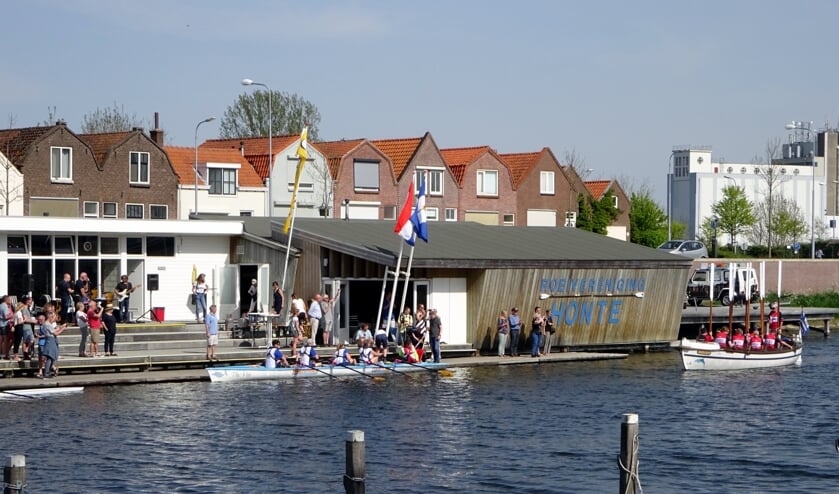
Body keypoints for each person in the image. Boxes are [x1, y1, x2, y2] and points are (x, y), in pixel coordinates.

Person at [40, 310, 67, 379]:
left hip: (52, 340)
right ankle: (46, 373)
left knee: (52, 358)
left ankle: (48, 372)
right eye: (52, 317)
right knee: (49, 357)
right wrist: (62, 329)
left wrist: (60, 327)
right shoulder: (47, 324)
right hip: (50, 340)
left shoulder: (49, 324)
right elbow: (55, 333)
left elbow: (55, 330)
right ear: (49, 317)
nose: (53, 318)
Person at [16, 296, 36, 361]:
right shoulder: (24, 308)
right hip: (26, 327)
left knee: (27, 341)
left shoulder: (28, 308)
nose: (31, 302)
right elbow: (25, 319)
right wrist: (35, 321)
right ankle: (26, 351)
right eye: (30, 301)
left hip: (28, 327)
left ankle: (26, 354)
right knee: (30, 340)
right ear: (26, 301)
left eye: (31, 301)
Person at [0, 295, 13, 359]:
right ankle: (5, 355)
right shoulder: (5, 306)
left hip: (0, 324)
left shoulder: (0, 305)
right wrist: (11, 315)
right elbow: (6, 317)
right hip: (4, 325)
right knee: (5, 341)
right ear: (6, 300)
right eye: (9, 299)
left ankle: (1, 354)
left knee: (1, 340)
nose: (10, 301)